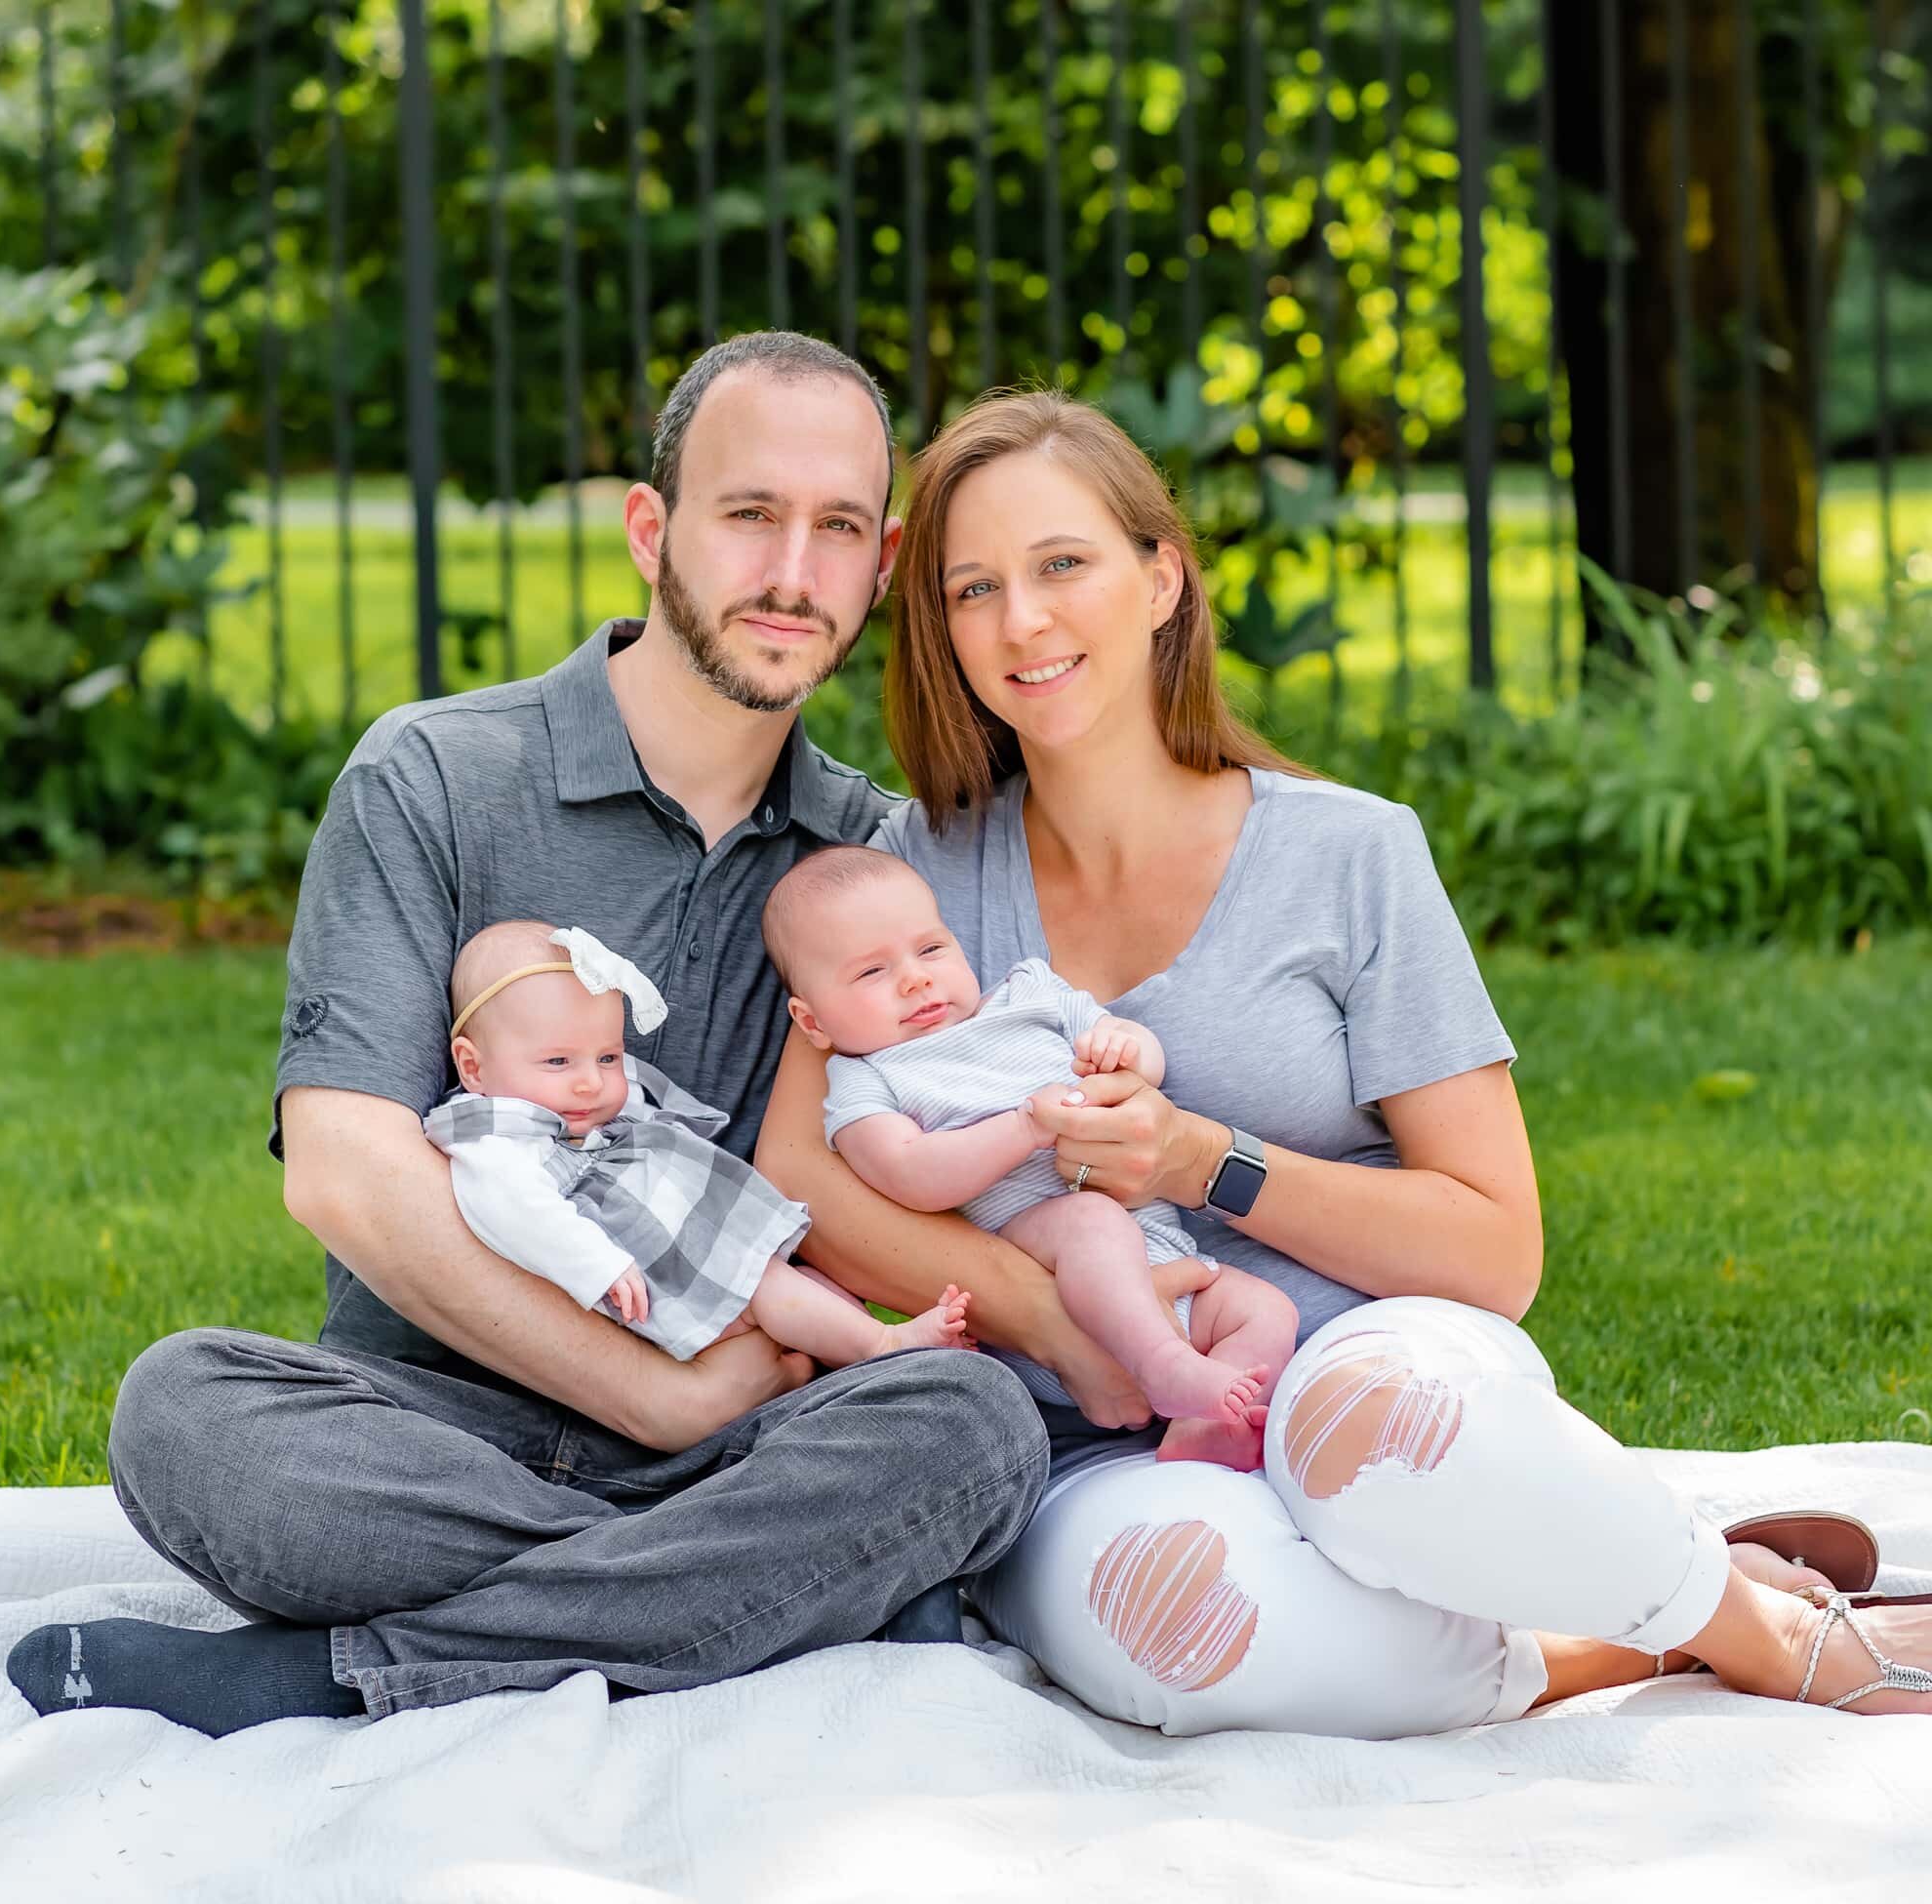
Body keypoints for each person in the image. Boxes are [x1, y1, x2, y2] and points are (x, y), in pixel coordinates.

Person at [755, 387, 1932, 1737]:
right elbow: (801, 1172)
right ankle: (1607, 1641)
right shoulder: (906, 887)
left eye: (1062, 563)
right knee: (1183, 1628)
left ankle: (1767, 1627)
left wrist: (1206, 1159)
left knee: (1397, 1439)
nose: (1021, 620)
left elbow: (1498, 1249)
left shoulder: (1349, 852)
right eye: (975, 586)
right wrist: (1063, 1319)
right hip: (1095, 1437)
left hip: (1356, 1347)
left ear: (1161, 578)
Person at [3, 333, 1047, 1739]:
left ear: (880, 558)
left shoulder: (868, 855)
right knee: (181, 1411)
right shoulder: (437, 774)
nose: (794, 572)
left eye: (838, 528)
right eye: (749, 514)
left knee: (973, 1427)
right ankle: (766, 1589)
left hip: (760, 1428)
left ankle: (335, 1670)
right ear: (650, 526)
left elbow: (896, 1165)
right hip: (438, 1425)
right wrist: (660, 1402)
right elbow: (344, 1169)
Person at [760, 845, 1296, 1467]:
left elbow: (1142, 1061)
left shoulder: (1030, 995)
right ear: (812, 1021)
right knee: (1092, 1223)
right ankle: (1164, 1364)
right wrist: (1023, 1127)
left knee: (1265, 1309)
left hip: (1167, 1259)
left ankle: (1199, 1432)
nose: (915, 978)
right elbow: (912, 1177)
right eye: (870, 973)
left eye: (931, 949)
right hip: (1047, 1275)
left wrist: (1126, 1048)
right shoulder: (866, 1080)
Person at [430, 916, 973, 1362]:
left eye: (608, 1057)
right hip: (655, 1279)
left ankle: (860, 1348)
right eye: (557, 1061)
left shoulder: (572, 1106)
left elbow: (639, 1105)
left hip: (690, 1251)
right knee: (770, 1292)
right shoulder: (494, 1142)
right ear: (473, 1068)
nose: (591, 1082)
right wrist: (597, 1265)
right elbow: (516, 1211)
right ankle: (886, 1345)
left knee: (790, 1286)